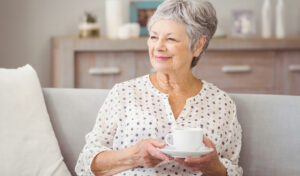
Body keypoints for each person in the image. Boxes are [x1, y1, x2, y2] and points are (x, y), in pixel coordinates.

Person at [75, 0, 243, 175]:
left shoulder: (222, 103)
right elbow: (85, 164)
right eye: (154, 37)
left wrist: (213, 166)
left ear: (198, 45)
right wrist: (135, 156)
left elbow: (234, 170)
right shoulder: (123, 93)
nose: (158, 47)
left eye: (170, 39)